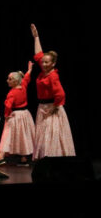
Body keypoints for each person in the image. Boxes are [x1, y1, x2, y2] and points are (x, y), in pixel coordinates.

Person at [30, 24, 75, 158]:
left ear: (53, 64)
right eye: (42, 62)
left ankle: (54, 159)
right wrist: (36, 37)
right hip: (43, 106)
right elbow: (38, 54)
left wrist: (54, 108)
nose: (43, 64)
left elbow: (60, 94)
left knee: (52, 134)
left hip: (52, 108)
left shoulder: (52, 75)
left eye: (46, 62)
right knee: (44, 135)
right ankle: (45, 159)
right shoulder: (44, 71)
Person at [0, 62, 35, 166]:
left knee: (8, 135)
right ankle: (24, 158)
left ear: (16, 81)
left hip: (15, 115)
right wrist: (29, 69)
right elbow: (27, 77)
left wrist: (6, 116)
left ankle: (1, 157)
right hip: (25, 114)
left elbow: (8, 106)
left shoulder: (12, 93)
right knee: (23, 135)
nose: (7, 80)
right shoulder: (23, 85)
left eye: (9, 79)